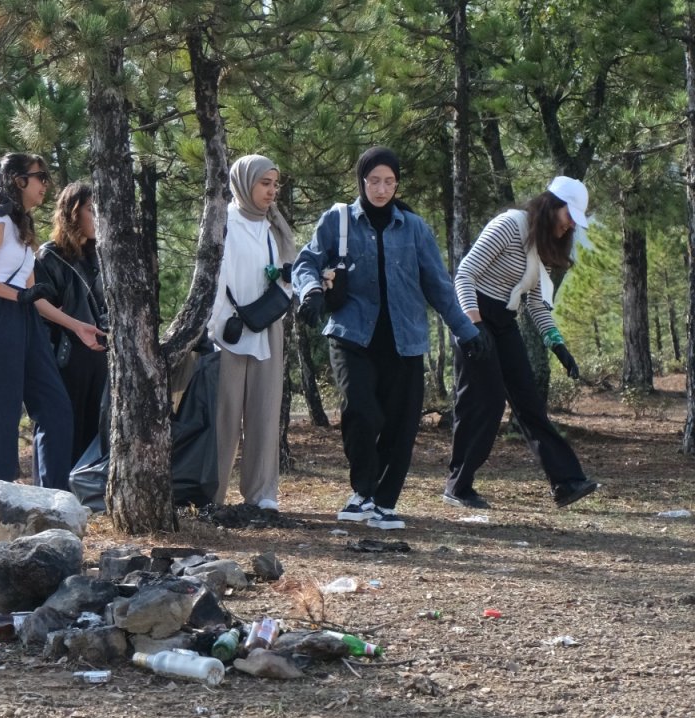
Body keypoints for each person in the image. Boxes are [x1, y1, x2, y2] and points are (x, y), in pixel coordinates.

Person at [293, 146, 489, 530]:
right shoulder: (338, 220)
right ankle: (361, 492)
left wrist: (467, 331)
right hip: (352, 335)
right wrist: (311, 292)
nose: (381, 189)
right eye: (374, 181)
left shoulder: (414, 227)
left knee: (401, 426)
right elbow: (306, 262)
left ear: (397, 184)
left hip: (405, 341)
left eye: (389, 182)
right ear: (361, 182)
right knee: (361, 413)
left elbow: (439, 285)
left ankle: (384, 502)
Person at [444, 177, 599, 509]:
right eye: (568, 215)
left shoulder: (538, 243)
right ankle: (458, 486)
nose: (571, 224)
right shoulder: (509, 225)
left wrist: (557, 345)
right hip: (474, 316)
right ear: (551, 205)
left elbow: (534, 301)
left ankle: (566, 482)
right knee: (484, 403)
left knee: (529, 402)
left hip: (503, 321)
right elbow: (465, 275)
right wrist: (474, 326)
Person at [0, 152, 101, 491]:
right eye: (41, 177)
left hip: (25, 318)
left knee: (55, 408)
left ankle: (54, 498)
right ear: (19, 181)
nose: (45, 185)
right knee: (3, 412)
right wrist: (17, 297)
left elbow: (34, 296)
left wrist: (76, 326)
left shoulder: (21, 226)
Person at [204, 155, 297, 510]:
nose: (272, 191)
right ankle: (212, 492)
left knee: (264, 411)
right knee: (224, 415)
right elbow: (213, 279)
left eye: (275, 184)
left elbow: (287, 269)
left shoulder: (274, 226)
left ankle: (261, 494)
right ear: (244, 183)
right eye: (265, 183)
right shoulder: (223, 222)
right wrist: (212, 326)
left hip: (266, 326)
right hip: (225, 329)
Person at [34, 181, 109, 465]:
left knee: (95, 429)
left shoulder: (101, 256)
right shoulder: (49, 255)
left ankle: (85, 496)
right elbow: (39, 305)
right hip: (65, 356)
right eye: (92, 209)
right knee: (64, 430)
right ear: (73, 212)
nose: (98, 215)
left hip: (99, 355)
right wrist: (71, 323)